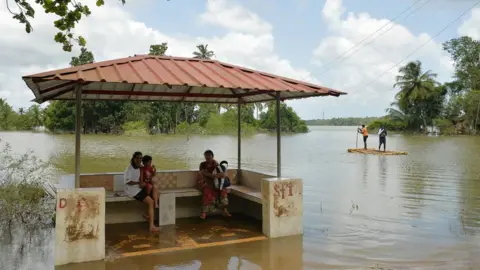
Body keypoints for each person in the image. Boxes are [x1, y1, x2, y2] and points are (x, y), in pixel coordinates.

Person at [124, 151, 159, 232]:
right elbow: (128, 181)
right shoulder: (129, 169)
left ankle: (148, 215)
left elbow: (144, 177)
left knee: (155, 192)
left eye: (140, 158)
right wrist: (139, 183)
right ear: (133, 158)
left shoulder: (140, 167)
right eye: (137, 158)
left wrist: (143, 182)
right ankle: (151, 226)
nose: (139, 159)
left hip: (139, 188)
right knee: (151, 202)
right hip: (132, 191)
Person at [196, 150, 231, 220]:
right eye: (206, 155)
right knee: (207, 191)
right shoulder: (202, 164)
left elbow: (222, 173)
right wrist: (212, 175)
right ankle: (204, 213)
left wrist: (220, 175)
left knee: (222, 191)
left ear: (212, 156)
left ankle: (224, 210)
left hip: (214, 182)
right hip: (204, 181)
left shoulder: (216, 164)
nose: (207, 157)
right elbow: (202, 173)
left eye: (209, 155)